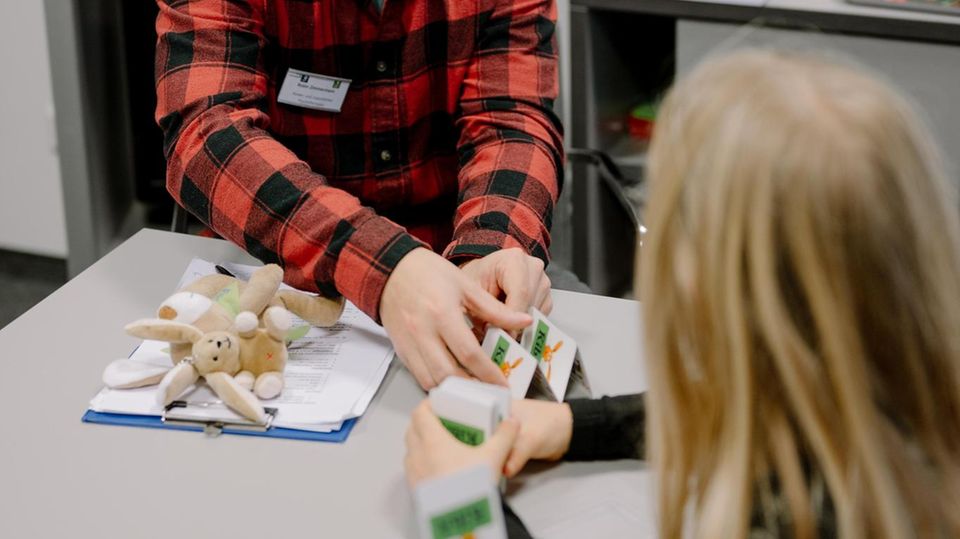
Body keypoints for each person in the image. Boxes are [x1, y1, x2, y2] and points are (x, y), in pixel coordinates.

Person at [404, 49, 960, 537]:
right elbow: (760, 410)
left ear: (703, 283)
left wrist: (460, 505)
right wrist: (574, 425)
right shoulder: (902, 416)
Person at [154, 0, 563, 389]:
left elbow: (511, 123)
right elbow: (206, 133)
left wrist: (486, 256)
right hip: (273, 272)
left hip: (452, 256)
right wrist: (386, 265)